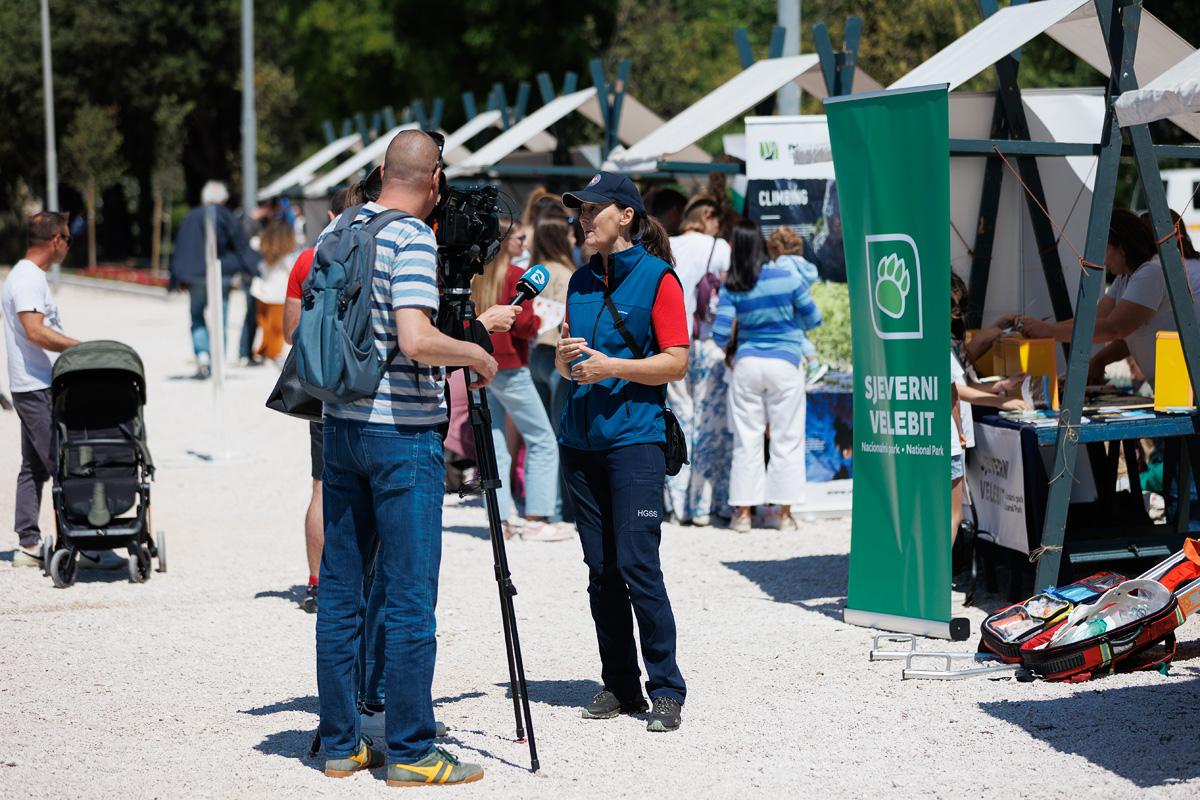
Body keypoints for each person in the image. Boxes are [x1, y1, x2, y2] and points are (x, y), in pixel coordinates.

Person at [314, 130, 497, 786]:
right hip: (401, 436)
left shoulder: (336, 230)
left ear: (383, 170)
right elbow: (418, 339)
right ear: (435, 181)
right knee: (411, 592)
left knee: (341, 591)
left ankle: (341, 744)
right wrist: (474, 354)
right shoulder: (413, 237)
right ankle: (414, 752)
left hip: (340, 427)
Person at [556, 172, 689, 732]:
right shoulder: (579, 281)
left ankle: (667, 688)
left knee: (639, 565)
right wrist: (567, 361)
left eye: (593, 210)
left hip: (635, 440)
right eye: (580, 211)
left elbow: (676, 361)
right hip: (580, 440)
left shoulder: (660, 279)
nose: (583, 219)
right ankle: (620, 684)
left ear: (626, 216)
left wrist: (612, 367)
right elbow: (567, 363)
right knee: (600, 569)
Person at [712, 220, 822, 533]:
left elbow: (720, 334)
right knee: (787, 438)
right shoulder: (787, 277)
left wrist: (733, 348)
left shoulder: (734, 285)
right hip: (785, 365)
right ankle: (784, 516)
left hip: (747, 364)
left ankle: (744, 515)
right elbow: (814, 318)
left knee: (746, 440)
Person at [1014, 208, 1200, 388]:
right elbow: (1096, 317)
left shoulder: (1151, 271)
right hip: (1171, 389)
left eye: (1104, 248)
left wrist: (1049, 331)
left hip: (1187, 390)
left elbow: (1115, 328)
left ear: (1122, 247)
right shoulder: (1126, 276)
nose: (1101, 259)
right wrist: (1041, 328)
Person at [470, 240, 570, 541]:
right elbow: (524, 324)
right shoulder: (514, 274)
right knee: (542, 438)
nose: (525, 242)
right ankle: (537, 518)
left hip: (479, 362)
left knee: (495, 442)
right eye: (518, 238)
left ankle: (498, 520)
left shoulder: (474, 275)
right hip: (511, 365)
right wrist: (541, 319)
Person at [2, 212, 81, 566]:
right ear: (55, 241)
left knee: (33, 466)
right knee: (62, 464)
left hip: (31, 384)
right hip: (35, 387)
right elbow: (34, 331)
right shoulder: (27, 280)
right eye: (68, 238)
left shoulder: (26, 276)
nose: (68, 244)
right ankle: (82, 540)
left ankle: (28, 545)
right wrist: (77, 347)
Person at [664, 195, 733, 526]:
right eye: (716, 220)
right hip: (706, 341)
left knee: (678, 418)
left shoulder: (668, 244)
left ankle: (676, 503)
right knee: (709, 421)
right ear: (707, 216)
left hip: (672, 343)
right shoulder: (720, 247)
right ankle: (702, 505)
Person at [168, 181, 259, 379]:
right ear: (224, 199)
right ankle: (218, 362)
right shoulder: (226, 216)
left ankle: (203, 356)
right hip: (222, 274)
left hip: (196, 275)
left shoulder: (192, 216)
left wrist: (179, 275)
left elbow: (182, 247)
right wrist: (253, 266)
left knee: (197, 315)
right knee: (221, 319)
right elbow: (239, 244)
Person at [526, 207, 577, 521]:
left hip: (534, 357)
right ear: (562, 237)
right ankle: (562, 508)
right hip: (561, 360)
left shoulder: (533, 273)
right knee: (560, 436)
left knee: (540, 437)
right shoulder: (570, 275)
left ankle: (541, 504)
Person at [767, 226, 828, 385]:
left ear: (778, 248)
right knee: (800, 334)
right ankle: (809, 363)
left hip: (791, 305)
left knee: (797, 335)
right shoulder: (802, 263)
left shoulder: (783, 263)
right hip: (802, 303)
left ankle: (813, 364)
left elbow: (788, 282)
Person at [251, 218, 296, 362]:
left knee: (264, 325)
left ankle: (263, 351)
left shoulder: (262, 248)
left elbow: (253, 242)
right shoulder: (288, 255)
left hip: (262, 292)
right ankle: (272, 354)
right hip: (279, 294)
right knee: (277, 329)